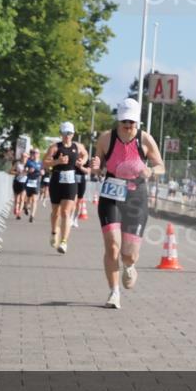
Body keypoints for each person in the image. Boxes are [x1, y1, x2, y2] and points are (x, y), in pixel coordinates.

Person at [90, 98, 165, 309]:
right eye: (124, 121)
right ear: (118, 120)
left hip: (135, 197)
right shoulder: (106, 139)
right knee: (112, 246)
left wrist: (151, 170)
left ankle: (130, 265)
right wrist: (95, 165)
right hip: (111, 193)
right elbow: (98, 166)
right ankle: (114, 292)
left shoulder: (145, 139)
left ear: (137, 122)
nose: (128, 126)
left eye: (132, 122)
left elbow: (161, 165)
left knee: (128, 253)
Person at [44, 121, 88, 253]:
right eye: (64, 133)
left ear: (73, 134)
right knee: (56, 212)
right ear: (61, 134)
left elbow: (85, 154)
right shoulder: (55, 147)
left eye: (69, 133)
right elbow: (45, 163)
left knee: (65, 212)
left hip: (70, 181)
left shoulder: (78, 146)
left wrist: (82, 162)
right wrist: (57, 161)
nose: (67, 135)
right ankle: (53, 232)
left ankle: (64, 242)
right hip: (56, 181)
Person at [23, 148, 43, 222]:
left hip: (36, 182)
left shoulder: (41, 163)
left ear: (39, 154)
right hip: (29, 182)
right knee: (28, 198)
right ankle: (26, 207)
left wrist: (42, 172)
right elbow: (25, 170)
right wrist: (28, 170)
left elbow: (43, 170)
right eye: (34, 153)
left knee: (34, 199)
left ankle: (32, 216)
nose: (35, 154)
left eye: (36, 153)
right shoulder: (29, 162)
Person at [10, 151, 29, 219]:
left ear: (27, 157)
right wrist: (17, 172)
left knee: (22, 199)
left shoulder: (29, 164)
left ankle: (19, 213)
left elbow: (35, 172)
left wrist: (30, 172)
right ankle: (16, 208)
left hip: (24, 183)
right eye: (22, 156)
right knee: (17, 199)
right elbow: (10, 171)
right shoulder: (17, 163)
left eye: (25, 156)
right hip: (17, 182)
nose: (23, 158)